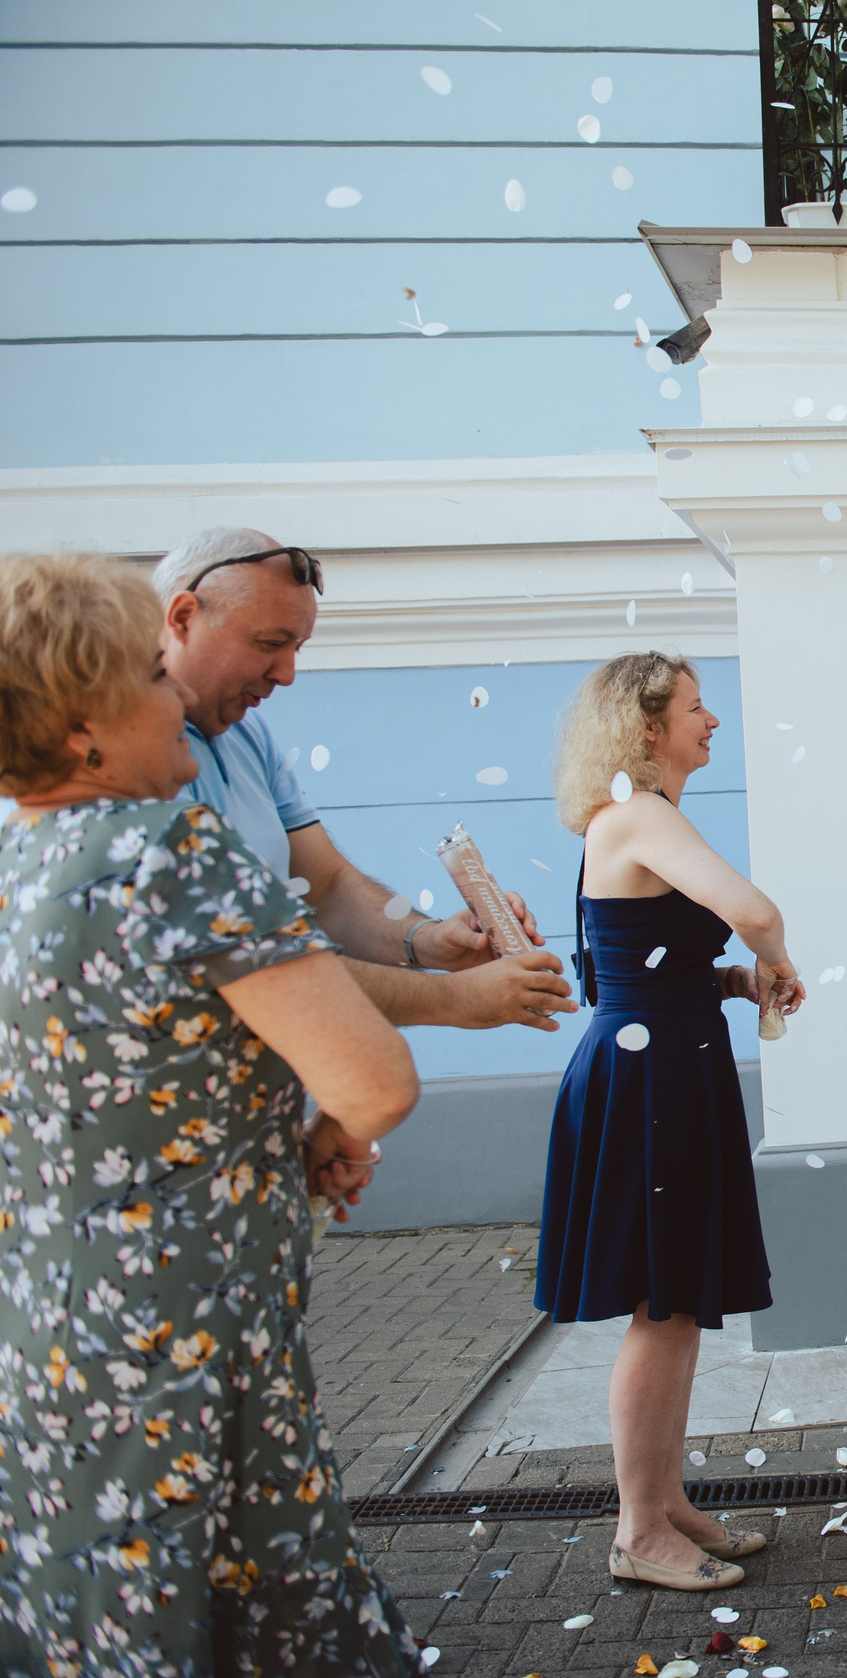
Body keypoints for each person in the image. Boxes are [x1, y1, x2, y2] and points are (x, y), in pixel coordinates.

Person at [0, 553, 423, 1673]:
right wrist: (329, 1130)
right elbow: (374, 1078)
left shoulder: (13, 857)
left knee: (93, 1607)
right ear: (83, 723)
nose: (177, 694)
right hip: (187, 1335)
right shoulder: (171, 852)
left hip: (50, 1325)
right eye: (151, 674)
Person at [535, 651, 803, 1592]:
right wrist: (770, 954)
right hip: (652, 1086)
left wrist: (732, 979)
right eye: (697, 707)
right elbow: (754, 907)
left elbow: (630, 966)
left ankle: (667, 1500)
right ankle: (639, 1529)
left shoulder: (641, 817)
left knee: (677, 1302)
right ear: (647, 727)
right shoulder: (639, 812)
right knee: (661, 1306)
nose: (712, 720)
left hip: (664, 1069)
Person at [155, 525, 576, 1035]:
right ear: (182, 617)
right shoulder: (120, 754)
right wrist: (454, 999)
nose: (286, 673)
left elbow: (325, 886)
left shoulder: (248, 735)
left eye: (298, 648)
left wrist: (427, 940)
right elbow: (243, 962)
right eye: (270, 643)